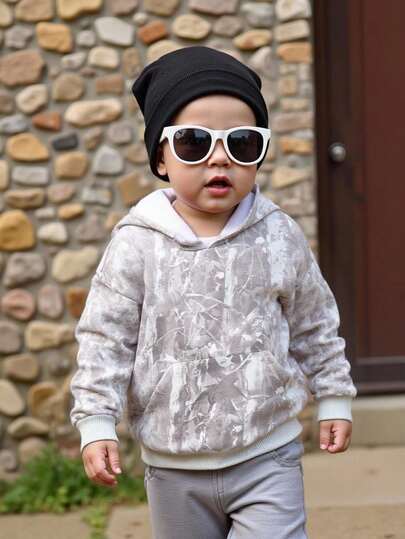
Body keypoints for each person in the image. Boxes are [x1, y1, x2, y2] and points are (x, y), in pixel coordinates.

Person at [70, 46, 357, 539]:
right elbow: (105, 339)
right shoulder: (137, 243)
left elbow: (314, 322)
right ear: (161, 157)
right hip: (173, 467)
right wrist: (96, 421)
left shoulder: (278, 236)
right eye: (194, 142)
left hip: (268, 454)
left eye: (242, 143)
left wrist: (333, 395)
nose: (219, 157)